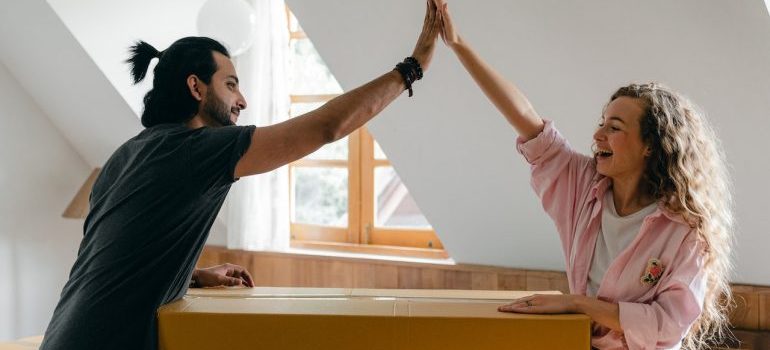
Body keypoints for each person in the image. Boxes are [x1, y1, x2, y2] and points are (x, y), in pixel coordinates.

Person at [39, 2, 441, 349]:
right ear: (196, 88)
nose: (242, 101)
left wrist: (190, 275)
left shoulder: (127, 153)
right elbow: (326, 127)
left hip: (62, 335)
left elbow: (109, 258)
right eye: (231, 84)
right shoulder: (198, 151)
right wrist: (413, 67)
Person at [436, 2, 733, 349]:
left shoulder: (684, 229)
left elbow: (668, 325)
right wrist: (458, 44)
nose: (598, 136)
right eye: (601, 123)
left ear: (650, 146)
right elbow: (525, 116)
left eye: (615, 127)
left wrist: (576, 304)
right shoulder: (581, 186)